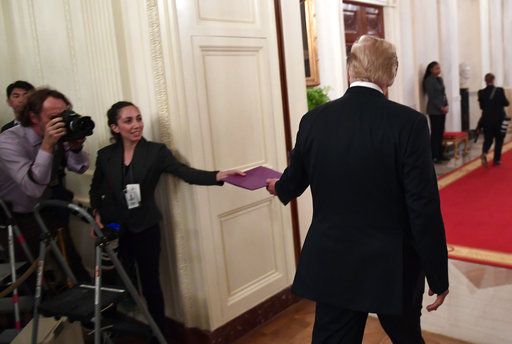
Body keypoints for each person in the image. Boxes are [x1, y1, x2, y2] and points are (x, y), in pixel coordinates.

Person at [266, 35, 449, 343]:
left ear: (350, 71)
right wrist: (438, 273)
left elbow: (294, 181)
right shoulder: (410, 124)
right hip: (393, 264)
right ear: (390, 75)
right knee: (406, 337)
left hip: (334, 260)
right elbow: (423, 207)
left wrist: (278, 186)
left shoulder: (314, 120)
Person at [89, 101, 244, 335]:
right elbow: (95, 189)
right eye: (128, 120)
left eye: (139, 118)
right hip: (115, 228)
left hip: (145, 227)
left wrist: (219, 175)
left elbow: (186, 173)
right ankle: (114, 330)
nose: (136, 125)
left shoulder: (156, 152)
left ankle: (158, 334)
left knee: (151, 284)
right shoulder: (105, 155)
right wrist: (96, 214)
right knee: (117, 281)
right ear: (115, 127)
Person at [0, 88, 90, 281]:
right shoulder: (8, 140)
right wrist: (47, 145)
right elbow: (32, 187)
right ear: (33, 117)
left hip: (45, 208)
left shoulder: (56, 132)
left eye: (65, 113)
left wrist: (75, 147)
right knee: (27, 272)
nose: (61, 121)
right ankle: (33, 308)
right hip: (14, 216)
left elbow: (80, 166)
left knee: (71, 261)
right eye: (54, 116)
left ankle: (89, 305)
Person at [477, 73, 510, 166]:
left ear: (485, 81)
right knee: (499, 139)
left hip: (487, 119)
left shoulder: (481, 92)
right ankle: (496, 160)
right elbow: (506, 103)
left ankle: (484, 152)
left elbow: (481, 107)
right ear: (493, 80)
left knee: (488, 139)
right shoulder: (500, 90)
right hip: (499, 119)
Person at [423, 61, 449, 163]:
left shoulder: (439, 79)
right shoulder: (429, 80)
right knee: (435, 133)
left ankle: (440, 154)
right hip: (434, 110)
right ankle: (434, 155)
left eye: (439, 68)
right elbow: (432, 97)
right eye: (436, 68)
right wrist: (440, 107)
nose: (439, 70)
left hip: (442, 110)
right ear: (431, 70)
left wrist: (446, 105)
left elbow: (443, 93)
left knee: (441, 132)